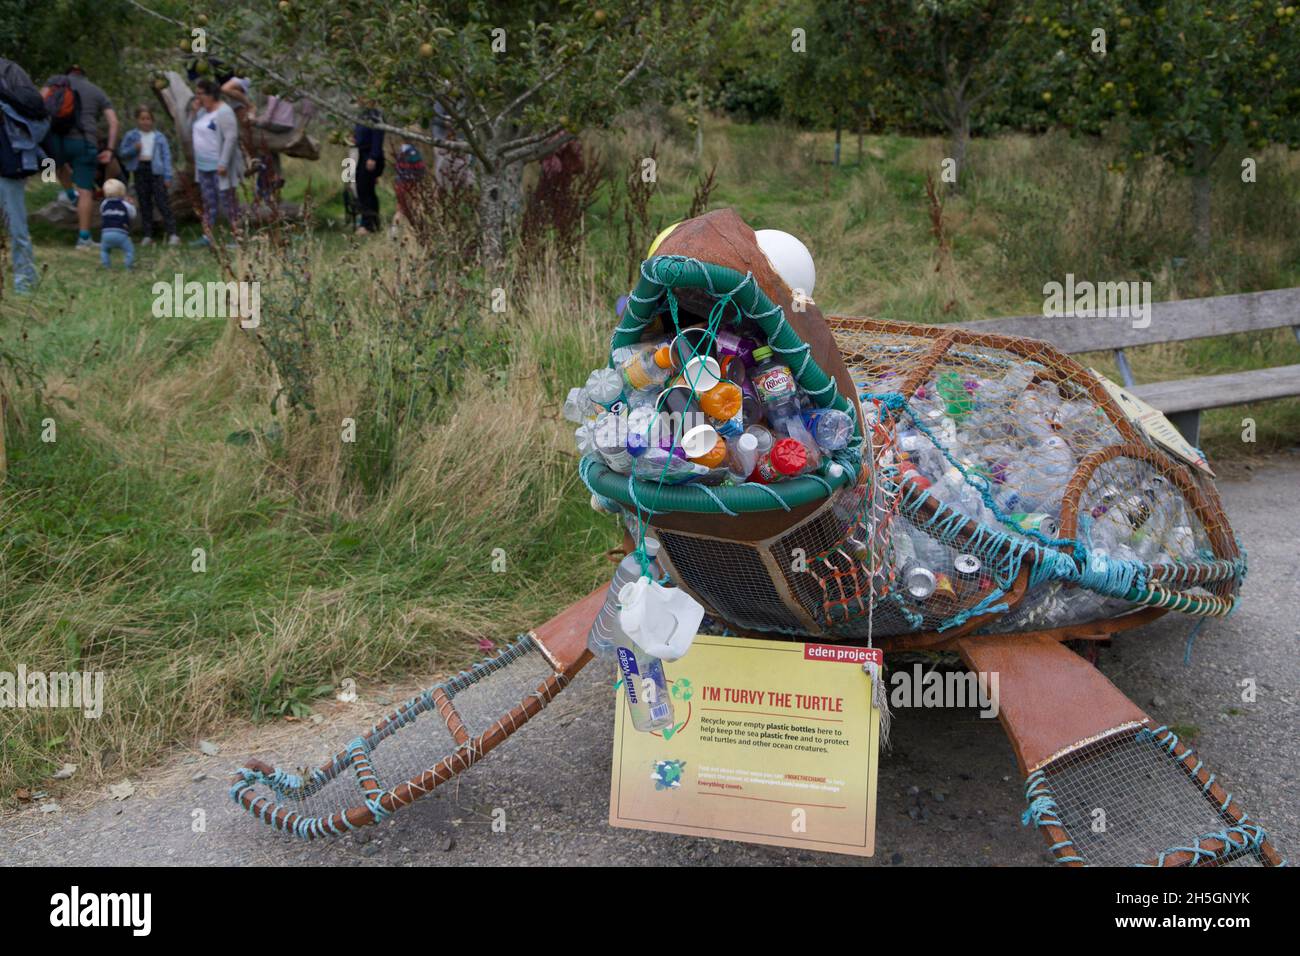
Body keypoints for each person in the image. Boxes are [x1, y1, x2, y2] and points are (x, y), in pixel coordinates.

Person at [44, 65, 118, 250]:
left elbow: (38, 102)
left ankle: (70, 194)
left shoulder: (55, 83)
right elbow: (114, 122)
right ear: (85, 76)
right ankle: (84, 238)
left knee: (57, 166)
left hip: (56, 140)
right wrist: (109, 149)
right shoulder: (97, 91)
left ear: (67, 74)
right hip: (85, 142)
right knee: (86, 191)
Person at [0, 56, 49, 294]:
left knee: (17, 228)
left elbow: (36, 111)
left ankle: (26, 285)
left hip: (7, 161)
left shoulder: (10, 70)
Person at [190, 77, 242, 246]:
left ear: (211, 94)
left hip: (219, 165)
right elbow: (192, 128)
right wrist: (194, 112)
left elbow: (231, 137)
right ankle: (208, 235)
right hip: (203, 165)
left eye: (200, 94)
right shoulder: (202, 112)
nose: (197, 97)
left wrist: (223, 162)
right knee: (208, 201)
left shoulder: (224, 111)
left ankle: (237, 236)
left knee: (228, 201)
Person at [118, 106, 179, 246]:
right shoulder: (131, 136)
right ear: (137, 120)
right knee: (144, 203)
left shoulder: (159, 137)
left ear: (152, 120)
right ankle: (147, 234)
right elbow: (122, 153)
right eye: (142, 119)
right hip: (140, 169)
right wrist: (134, 148)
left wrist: (168, 176)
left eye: (148, 119)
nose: (145, 122)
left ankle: (173, 233)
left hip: (156, 170)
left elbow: (166, 156)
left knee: (162, 201)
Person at [352, 106, 384, 235]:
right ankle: (373, 222)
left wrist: (373, 157)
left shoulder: (375, 115)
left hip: (370, 156)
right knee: (365, 190)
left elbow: (378, 136)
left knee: (364, 190)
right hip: (361, 153)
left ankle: (367, 224)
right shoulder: (363, 114)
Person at [98, 178, 135, 269]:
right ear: (122, 192)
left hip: (105, 233)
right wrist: (132, 205)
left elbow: (101, 212)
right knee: (129, 251)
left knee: (104, 251)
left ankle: (106, 265)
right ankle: (128, 267)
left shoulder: (104, 203)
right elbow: (132, 215)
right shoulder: (125, 204)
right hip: (121, 233)